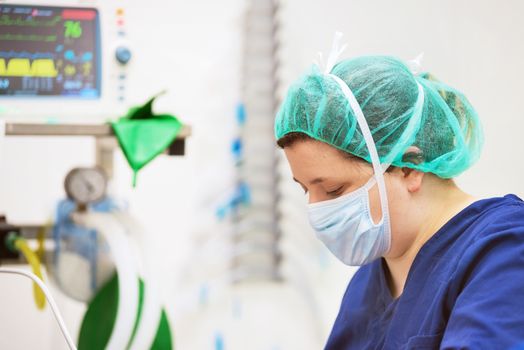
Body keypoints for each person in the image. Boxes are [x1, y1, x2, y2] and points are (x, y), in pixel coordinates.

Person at [275, 39, 524, 349]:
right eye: (305, 189)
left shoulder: (504, 249)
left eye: (332, 189)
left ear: (410, 166)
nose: (316, 209)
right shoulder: (367, 285)